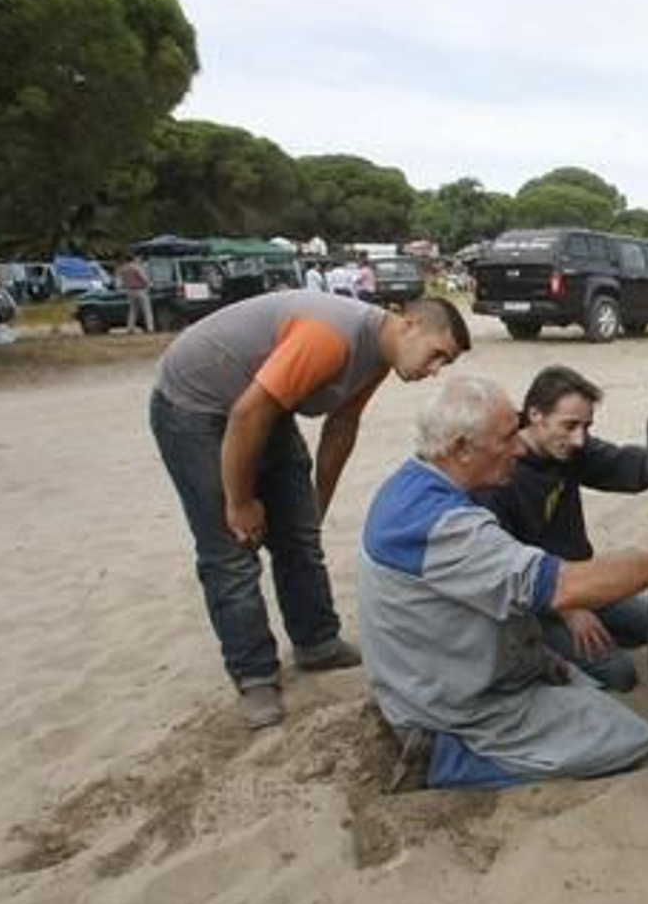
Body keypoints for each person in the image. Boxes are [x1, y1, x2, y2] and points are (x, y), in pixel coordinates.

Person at [359, 375, 648, 790]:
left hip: (446, 665)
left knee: (593, 688)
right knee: (630, 740)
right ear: (461, 448)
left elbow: (624, 467)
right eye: (506, 438)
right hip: (449, 702)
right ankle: (442, 759)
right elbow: (560, 587)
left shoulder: (416, 483)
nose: (518, 447)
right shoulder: (444, 527)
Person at [149, 290, 471, 729]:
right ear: (408, 324)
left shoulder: (380, 355)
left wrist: (314, 506)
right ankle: (255, 674)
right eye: (437, 355)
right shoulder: (329, 338)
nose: (435, 371)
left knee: (299, 536)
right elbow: (246, 415)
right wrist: (240, 502)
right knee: (231, 549)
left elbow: (342, 424)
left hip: (263, 403)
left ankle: (317, 643)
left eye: (445, 364)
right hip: (196, 407)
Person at [475, 365, 648, 692]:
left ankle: (590, 637)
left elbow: (624, 464)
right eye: (570, 425)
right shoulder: (498, 473)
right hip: (533, 601)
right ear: (535, 415)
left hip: (578, 582)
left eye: (586, 427)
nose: (580, 438)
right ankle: (539, 652)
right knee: (620, 674)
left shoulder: (569, 448)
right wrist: (570, 610)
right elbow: (506, 566)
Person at [115, 253, 154, 333]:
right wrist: (149, 284)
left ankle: (130, 327)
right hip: (140, 290)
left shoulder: (122, 268)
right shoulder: (136, 267)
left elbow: (119, 281)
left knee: (132, 310)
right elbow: (143, 278)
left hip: (129, 290)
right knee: (146, 310)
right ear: (132, 259)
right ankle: (150, 328)